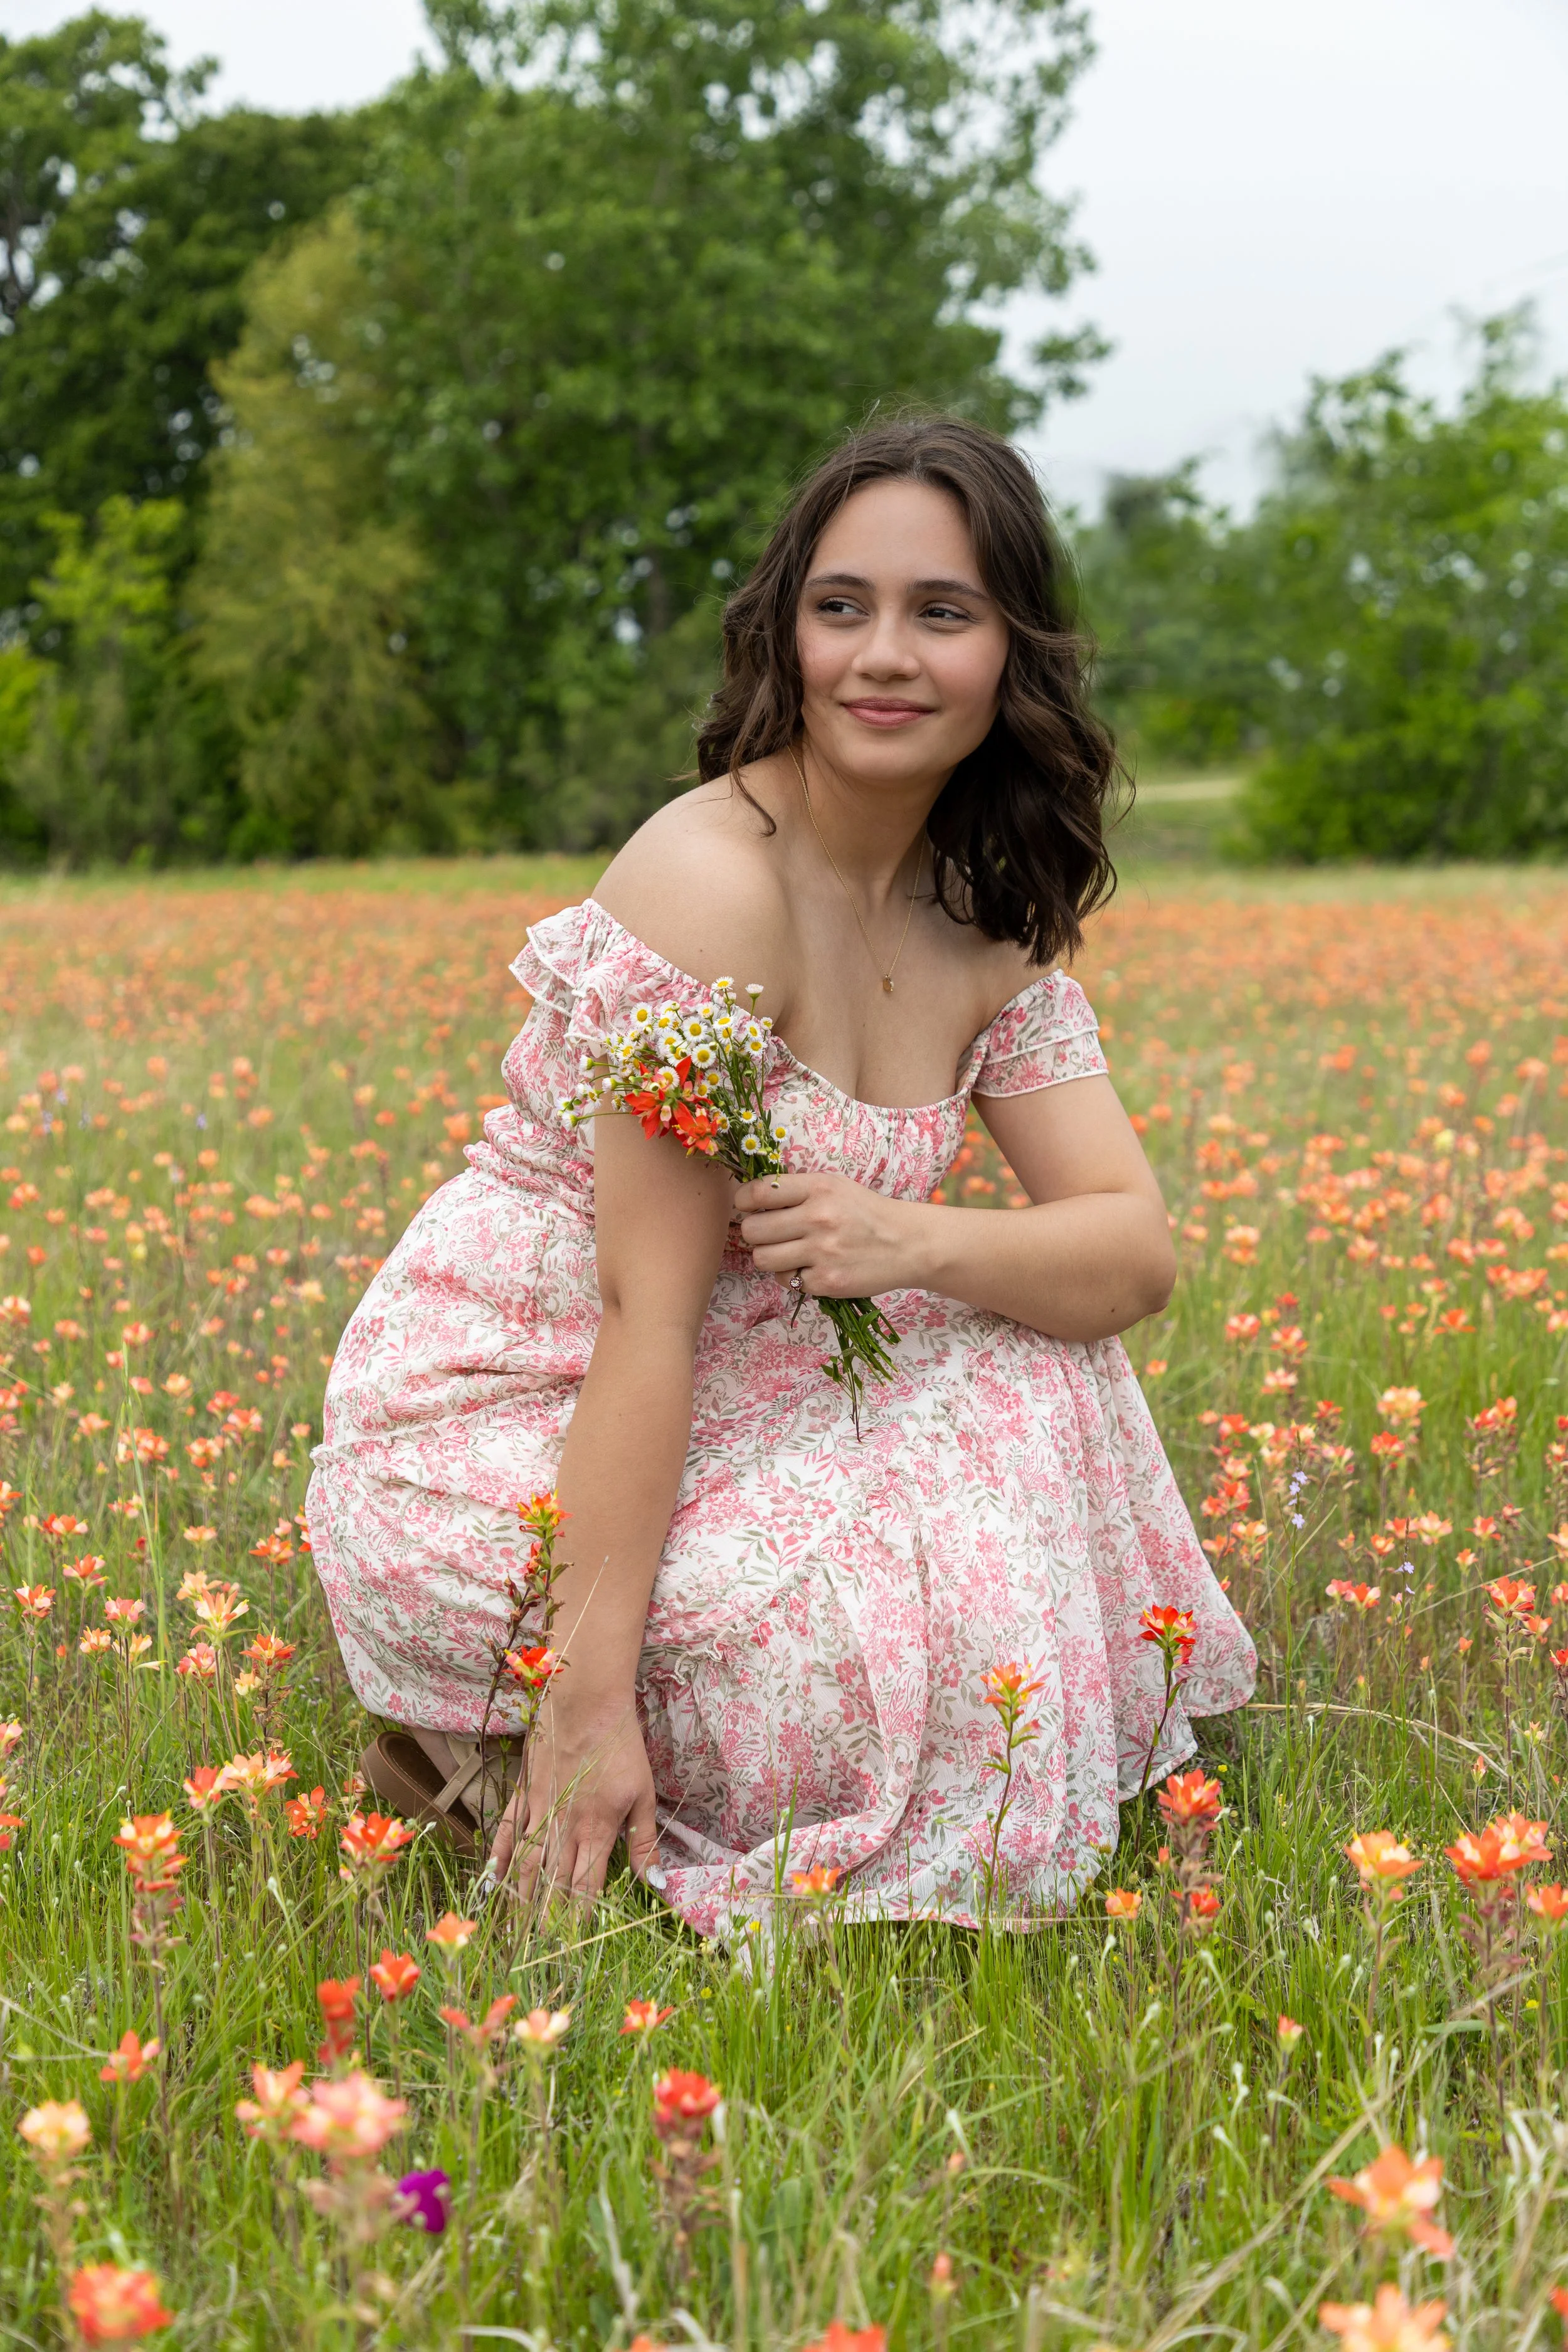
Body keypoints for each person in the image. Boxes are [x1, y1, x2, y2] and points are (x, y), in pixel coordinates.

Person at [305, 415, 1256, 1935]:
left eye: (939, 614)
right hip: (523, 1413)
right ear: (786, 632)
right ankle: (504, 1739)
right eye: (841, 608)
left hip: (756, 1382)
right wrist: (586, 1696)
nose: (882, 655)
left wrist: (913, 1237)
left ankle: (552, 1746)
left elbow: (1127, 1254)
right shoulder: (712, 886)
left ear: (1012, 654)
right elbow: (642, 1315)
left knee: (1044, 1385)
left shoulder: (985, 916)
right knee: (832, 1631)